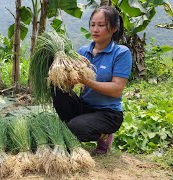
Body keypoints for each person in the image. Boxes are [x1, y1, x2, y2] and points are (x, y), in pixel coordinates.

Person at [51, 6, 132, 155]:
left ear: (113, 28)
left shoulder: (121, 53)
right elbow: (72, 83)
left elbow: (116, 89)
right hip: (84, 107)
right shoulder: (83, 51)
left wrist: (87, 81)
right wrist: (61, 74)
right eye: (93, 24)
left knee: (74, 128)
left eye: (101, 25)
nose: (95, 29)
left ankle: (103, 135)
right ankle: (73, 125)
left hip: (108, 114)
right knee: (56, 87)